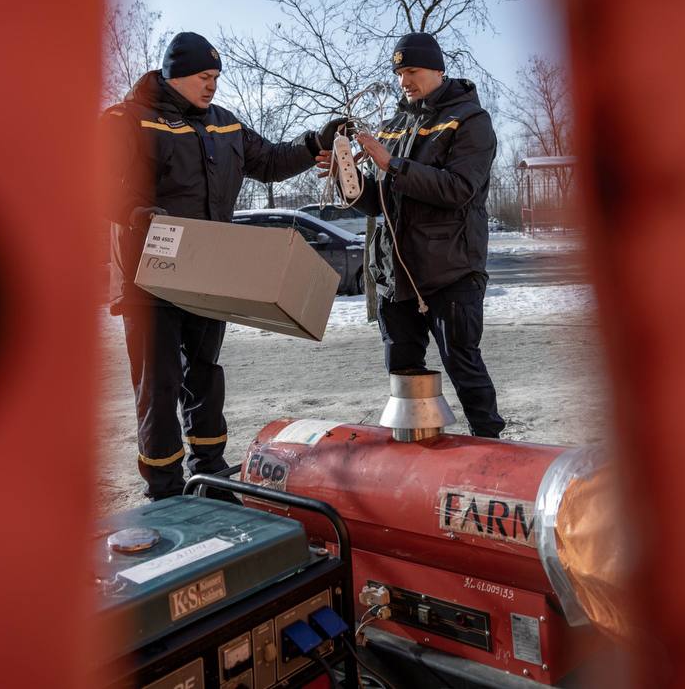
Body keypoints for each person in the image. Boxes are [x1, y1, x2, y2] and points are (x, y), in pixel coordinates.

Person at [106, 31, 350, 500]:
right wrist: (138, 213)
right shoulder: (127, 120)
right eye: (203, 76)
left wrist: (312, 142)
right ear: (175, 74)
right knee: (158, 384)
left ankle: (211, 474)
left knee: (204, 374)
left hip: (205, 274)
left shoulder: (224, 124)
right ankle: (165, 489)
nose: (212, 84)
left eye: (216, 76)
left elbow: (272, 160)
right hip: (149, 277)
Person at [321, 32, 504, 437]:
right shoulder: (392, 126)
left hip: (451, 271)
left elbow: (459, 189)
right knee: (402, 371)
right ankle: (416, 452)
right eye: (400, 72)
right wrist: (346, 177)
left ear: (438, 69)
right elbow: (380, 203)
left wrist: (392, 165)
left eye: (413, 70)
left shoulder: (470, 121)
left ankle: (491, 449)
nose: (405, 80)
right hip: (395, 275)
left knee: (463, 365)